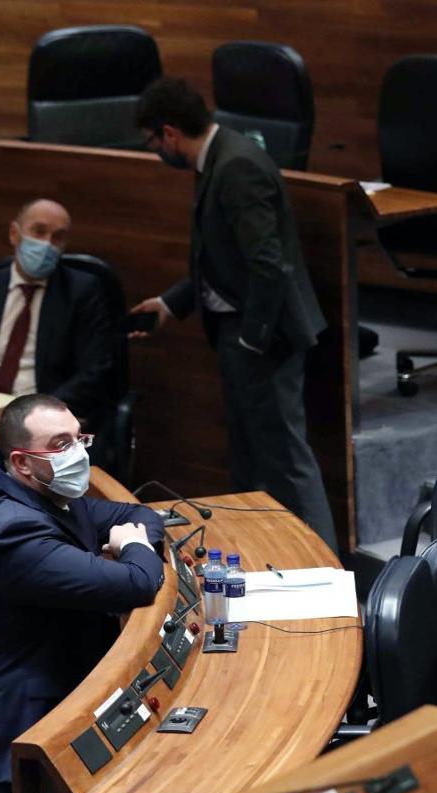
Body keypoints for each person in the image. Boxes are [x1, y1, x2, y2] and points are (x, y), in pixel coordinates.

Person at [128, 76, 337, 551]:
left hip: (264, 337)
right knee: (249, 459)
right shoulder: (219, 160)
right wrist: (170, 304)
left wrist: (252, 341)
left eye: (153, 142)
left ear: (170, 133)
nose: (157, 152)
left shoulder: (237, 166)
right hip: (238, 331)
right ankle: (262, 553)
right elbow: (219, 259)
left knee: (286, 459)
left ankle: (328, 570)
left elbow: (268, 265)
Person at [0, 394, 165, 793]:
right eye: (61, 443)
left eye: (79, 437)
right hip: (20, 731)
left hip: (60, 703)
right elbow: (137, 581)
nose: (79, 453)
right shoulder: (12, 533)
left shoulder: (48, 497)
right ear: (23, 462)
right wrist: (133, 548)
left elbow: (142, 516)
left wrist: (133, 541)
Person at [0, 198, 114, 424]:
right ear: (14, 234)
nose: (47, 244)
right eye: (38, 231)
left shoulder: (82, 293)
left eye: (57, 237)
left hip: (46, 417)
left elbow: (94, 373)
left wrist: (35, 416)